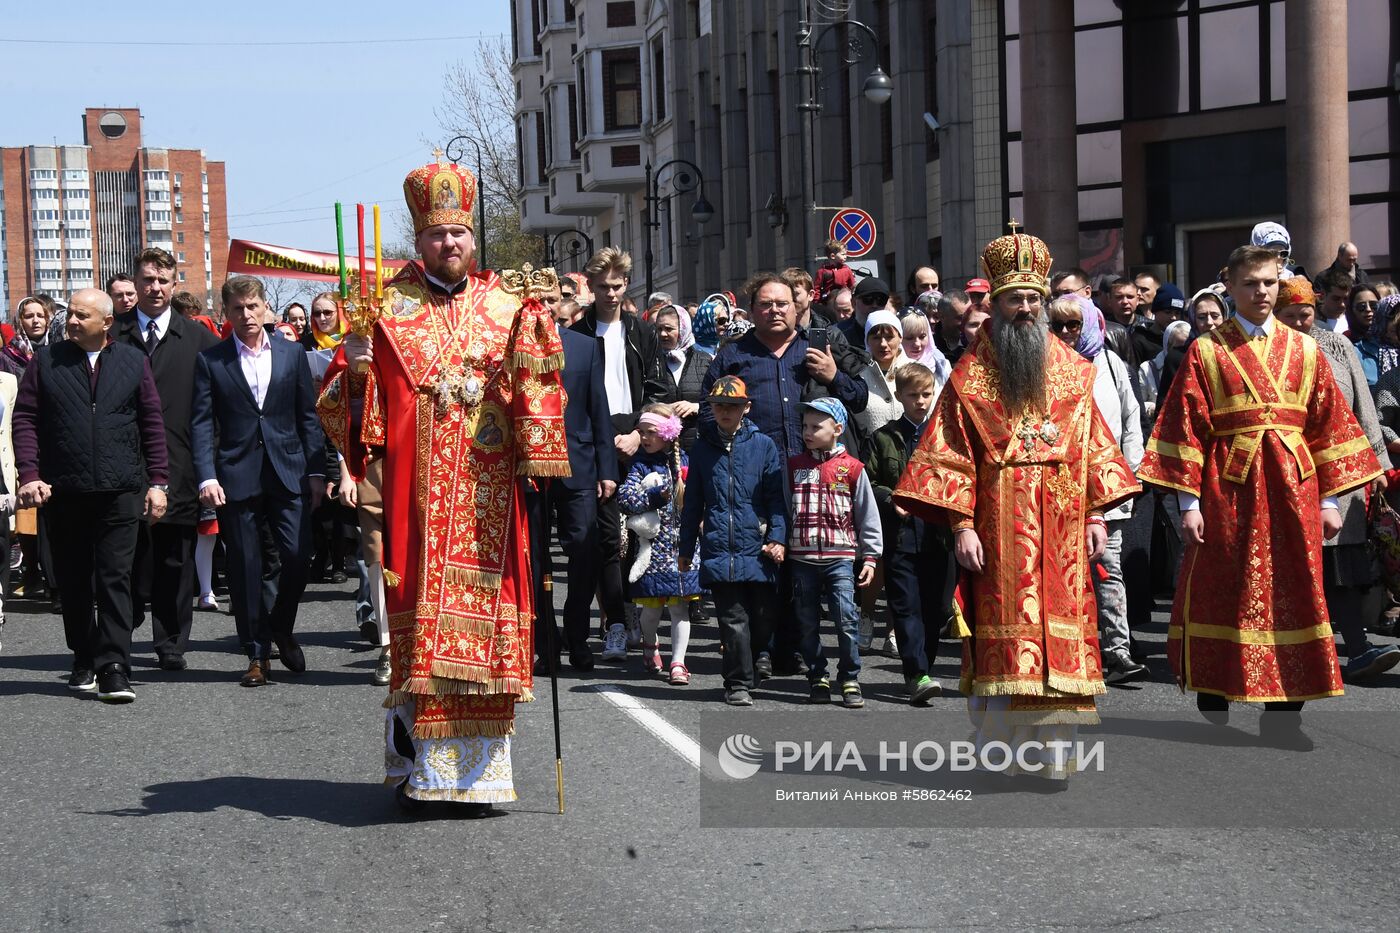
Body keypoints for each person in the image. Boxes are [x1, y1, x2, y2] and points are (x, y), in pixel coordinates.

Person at [320, 156, 569, 814]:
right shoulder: (386, 308)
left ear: (471, 236)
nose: (449, 243)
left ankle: (480, 779)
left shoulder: (508, 305)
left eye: (459, 233)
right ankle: (422, 772)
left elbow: (539, 389)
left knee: (485, 633)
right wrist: (358, 374)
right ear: (420, 238)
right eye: (437, 235)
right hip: (418, 502)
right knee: (424, 637)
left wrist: (534, 380)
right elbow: (349, 415)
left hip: (490, 499)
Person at [894, 228, 1140, 780]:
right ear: (997, 305)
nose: (1026, 308)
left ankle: (1054, 749)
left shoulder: (1075, 372)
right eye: (1015, 299)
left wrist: (1098, 513)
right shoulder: (967, 378)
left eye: (1034, 298)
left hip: (1064, 523)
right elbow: (949, 456)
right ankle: (1004, 747)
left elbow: (1093, 444)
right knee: (1005, 635)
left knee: (1064, 632)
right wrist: (961, 526)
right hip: (997, 527)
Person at [1141, 245, 1382, 736]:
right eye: (1251, 284)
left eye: (1270, 282)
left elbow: (1328, 426)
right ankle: (1214, 692)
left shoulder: (1306, 350)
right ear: (1230, 287)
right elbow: (1186, 428)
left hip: (1295, 489)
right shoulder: (1207, 350)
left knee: (1294, 589)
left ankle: (1285, 712)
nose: (1262, 292)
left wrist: (1331, 500)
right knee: (1222, 586)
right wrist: (1188, 503)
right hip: (1227, 488)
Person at [13, 288, 169, 703]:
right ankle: (83, 657)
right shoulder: (47, 361)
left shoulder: (133, 361)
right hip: (64, 491)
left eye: (82, 315)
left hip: (121, 489)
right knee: (74, 578)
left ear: (105, 323)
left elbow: (152, 423)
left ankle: (115, 665)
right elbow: (25, 418)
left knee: (116, 578)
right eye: (70, 314)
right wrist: (29, 474)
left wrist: (158, 482)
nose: (72, 321)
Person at [193, 276, 325, 687]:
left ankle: (280, 626)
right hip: (236, 475)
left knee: (298, 555)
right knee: (246, 567)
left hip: (289, 471)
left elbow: (308, 416)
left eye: (253, 306)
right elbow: (200, 424)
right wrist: (207, 476)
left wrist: (318, 472)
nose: (246, 315)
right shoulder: (212, 361)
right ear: (226, 313)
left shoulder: (291, 354)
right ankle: (256, 653)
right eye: (237, 309)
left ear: (266, 308)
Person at [1273, 279, 1400, 682]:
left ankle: (1358, 650)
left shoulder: (1338, 346)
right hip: (1285, 474)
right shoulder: (1268, 350)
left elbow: (1364, 404)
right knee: (1293, 568)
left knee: (1340, 565)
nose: (1298, 322)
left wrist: (1376, 463)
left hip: (1339, 473)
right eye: (1289, 316)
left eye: (1304, 313)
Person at [113, 247, 219, 671]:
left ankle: (171, 642)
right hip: (121, 466)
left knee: (176, 559)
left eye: (162, 280)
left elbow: (216, 407)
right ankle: (124, 625)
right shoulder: (111, 334)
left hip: (180, 464)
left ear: (175, 285)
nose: (154, 288)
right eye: (147, 280)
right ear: (134, 285)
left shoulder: (200, 340)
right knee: (127, 557)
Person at [572, 247, 674, 661]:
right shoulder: (577, 334)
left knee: (645, 532)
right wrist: (597, 440)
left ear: (625, 285)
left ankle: (637, 613)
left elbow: (659, 389)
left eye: (617, 286)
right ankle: (615, 620)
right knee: (606, 539)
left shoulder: (642, 332)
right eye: (602, 287)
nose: (611, 294)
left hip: (638, 438)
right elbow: (571, 398)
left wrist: (637, 430)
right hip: (595, 444)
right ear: (590, 288)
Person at [1048, 294, 1148, 684]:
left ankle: (1117, 650)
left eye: (1075, 325)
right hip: (1059, 487)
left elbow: (1130, 420)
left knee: (1108, 568)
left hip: (1107, 485)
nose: (1068, 333)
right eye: (1059, 326)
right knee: (1065, 572)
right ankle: (1075, 649)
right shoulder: (1043, 367)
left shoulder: (1109, 363)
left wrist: (1129, 472)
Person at [678, 376, 787, 706]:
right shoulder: (701, 449)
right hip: (718, 547)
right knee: (732, 618)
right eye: (719, 406)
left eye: (733, 406)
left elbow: (775, 499)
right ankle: (737, 682)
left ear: (746, 408)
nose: (725, 411)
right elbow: (693, 501)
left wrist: (778, 537)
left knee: (762, 616)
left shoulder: (763, 446)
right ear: (710, 408)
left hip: (757, 547)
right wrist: (685, 549)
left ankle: (757, 661)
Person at [528, 315, 615, 673]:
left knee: (584, 549)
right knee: (533, 559)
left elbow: (599, 409)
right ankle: (545, 642)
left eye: (550, 300)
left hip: (577, 463)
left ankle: (577, 635)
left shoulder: (584, 346)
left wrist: (607, 469)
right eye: (537, 299)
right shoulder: (507, 344)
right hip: (528, 468)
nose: (543, 307)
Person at [788, 397, 881, 708]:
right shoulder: (795, 466)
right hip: (801, 559)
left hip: (840, 559)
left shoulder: (852, 469)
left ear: (837, 429)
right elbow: (783, 509)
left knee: (845, 618)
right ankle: (817, 675)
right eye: (805, 426)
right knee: (806, 621)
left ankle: (850, 676)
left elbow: (867, 514)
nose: (808, 432)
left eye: (816, 426)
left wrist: (870, 556)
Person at [867, 363, 949, 704]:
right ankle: (916, 671)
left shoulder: (944, 436)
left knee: (935, 608)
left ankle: (923, 667)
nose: (920, 401)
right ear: (899, 396)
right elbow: (869, 482)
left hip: (939, 534)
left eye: (927, 394)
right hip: (900, 535)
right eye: (913, 395)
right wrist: (892, 498)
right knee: (905, 605)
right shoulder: (884, 437)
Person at [617, 404, 701, 685]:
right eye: (641, 433)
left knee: (680, 609)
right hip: (653, 553)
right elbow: (625, 499)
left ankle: (678, 662)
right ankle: (650, 644)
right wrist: (655, 496)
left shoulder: (686, 462)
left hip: (682, 550)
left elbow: (699, 500)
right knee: (651, 612)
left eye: (651, 432)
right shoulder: (639, 465)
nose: (645, 438)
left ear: (668, 433)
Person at [654, 304, 711, 452]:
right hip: (663, 449)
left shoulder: (705, 361)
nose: (663, 334)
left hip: (700, 447)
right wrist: (663, 410)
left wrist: (696, 407)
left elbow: (717, 400)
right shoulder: (653, 361)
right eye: (659, 329)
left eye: (669, 329)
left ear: (683, 328)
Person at [854, 309, 909, 443]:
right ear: (867, 340)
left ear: (900, 337)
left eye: (889, 337)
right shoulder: (857, 374)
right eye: (876, 338)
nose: (883, 344)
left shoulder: (916, 370)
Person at [1140, 321, 1192, 421]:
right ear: (1167, 345)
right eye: (1178, 348)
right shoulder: (1147, 369)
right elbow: (1138, 404)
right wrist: (1152, 407)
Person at [899, 307, 951, 393]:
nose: (917, 344)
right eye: (909, 338)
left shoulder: (942, 365)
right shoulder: (891, 369)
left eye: (922, 337)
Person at [1347, 283, 1385, 387]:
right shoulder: (1347, 345)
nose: (1368, 309)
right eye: (1361, 307)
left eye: (1373, 305)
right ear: (1352, 310)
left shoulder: (1393, 341)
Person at [813, 238, 857, 305]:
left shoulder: (847, 269)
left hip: (844, 301)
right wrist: (817, 302)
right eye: (843, 254)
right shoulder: (822, 271)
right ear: (833, 256)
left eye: (845, 254)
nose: (845, 256)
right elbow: (817, 288)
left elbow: (852, 286)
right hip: (827, 302)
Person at [1313, 267, 1353, 334]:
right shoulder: (1312, 322)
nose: (1342, 304)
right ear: (1323, 295)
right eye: (1336, 299)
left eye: (1346, 298)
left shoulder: (1354, 320)